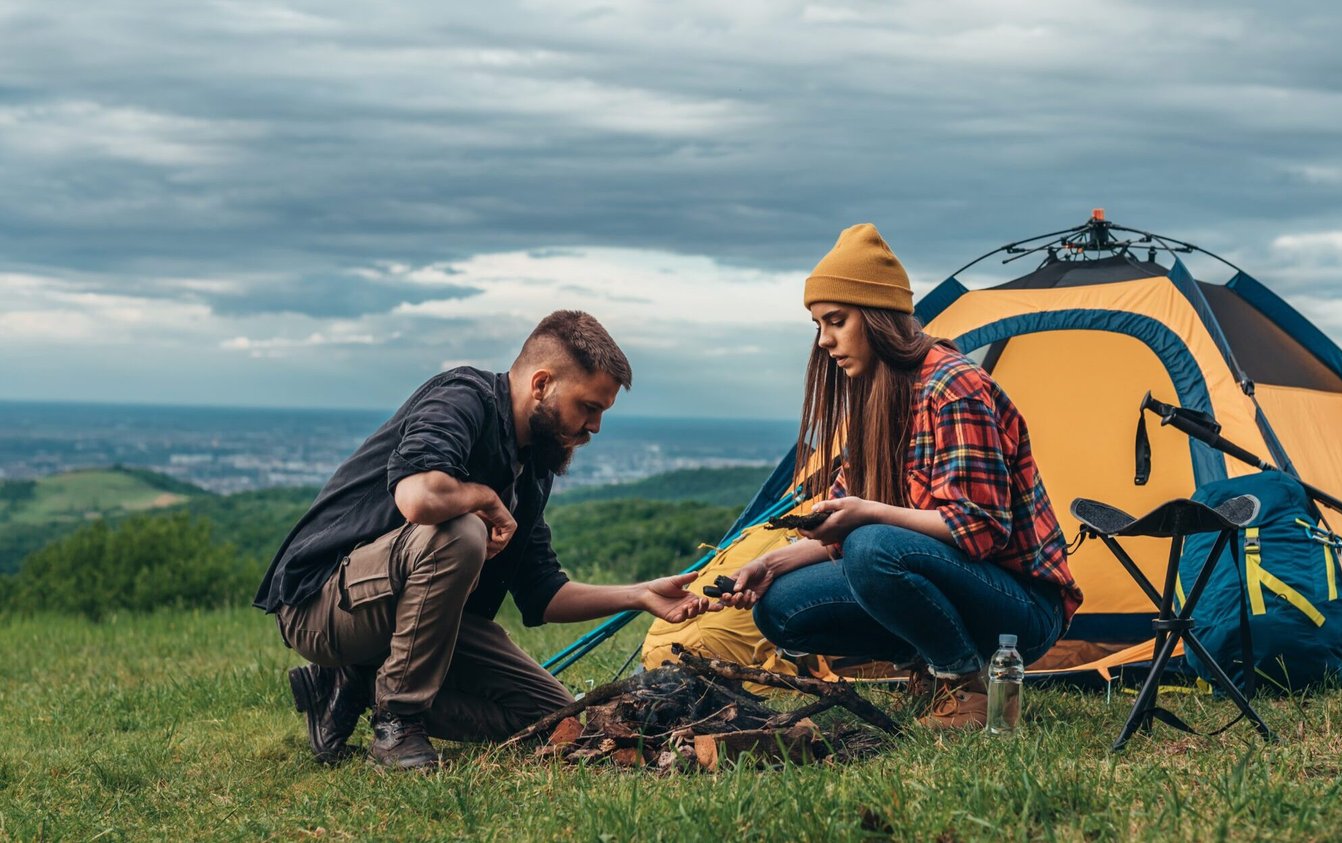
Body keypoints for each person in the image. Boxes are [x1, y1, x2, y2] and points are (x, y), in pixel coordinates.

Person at [254, 310, 718, 769]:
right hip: (320, 605)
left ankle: (351, 685)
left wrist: (640, 595)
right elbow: (418, 497)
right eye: (588, 407)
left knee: (551, 718)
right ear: (542, 384)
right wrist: (485, 499)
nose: (594, 426)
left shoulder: (532, 466)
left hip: (406, 619)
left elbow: (543, 593)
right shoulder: (464, 398)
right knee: (460, 531)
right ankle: (398, 724)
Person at [719, 224, 1084, 729]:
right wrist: (771, 563)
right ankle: (932, 664)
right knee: (780, 608)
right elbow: (842, 523)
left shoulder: (955, 386)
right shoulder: (877, 397)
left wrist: (867, 514)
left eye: (837, 321)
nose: (824, 340)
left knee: (872, 546)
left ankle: (967, 687)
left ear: (878, 317)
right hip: (944, 580)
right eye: (818, 325)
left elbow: (980, 529)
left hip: (1020, 608)